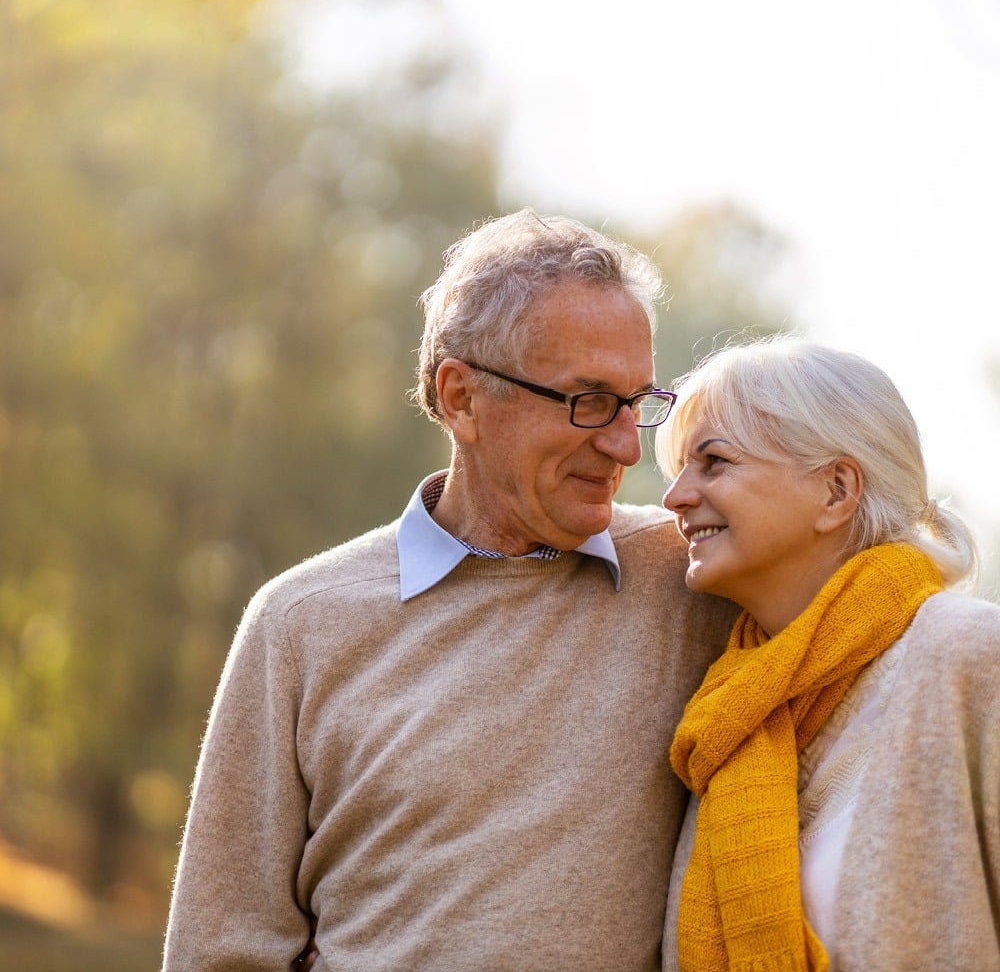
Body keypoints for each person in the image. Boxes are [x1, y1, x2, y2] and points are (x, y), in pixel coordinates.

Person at [161, 209, 738, 971]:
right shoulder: (301, 624)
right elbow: (221, 949)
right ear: (462, 397)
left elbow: (860, 604)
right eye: (589, 400)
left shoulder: (694, 579)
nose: (626, 444)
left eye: (637, 402)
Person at [655, 334, 1000, 972]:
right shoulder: (727, 716)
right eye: (677, 470)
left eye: (714, 462)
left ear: (837, 490)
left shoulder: (970, 657)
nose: (674, 497)